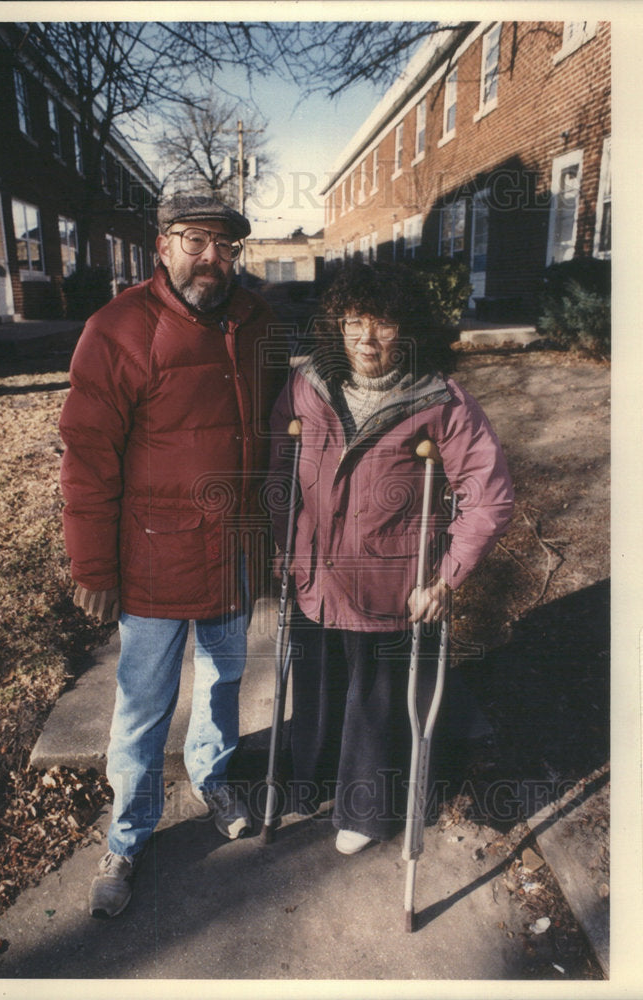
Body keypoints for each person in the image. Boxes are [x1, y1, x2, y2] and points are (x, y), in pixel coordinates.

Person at [59, 194, 279, 918]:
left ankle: (212, 777)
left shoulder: (254, 322)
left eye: (225, 246)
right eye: (194, 241)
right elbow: (88, 457)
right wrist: (92, 566)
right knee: (144, 705)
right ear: (162, 246)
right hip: (154, 560)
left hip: (235, 550)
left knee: (222, 683)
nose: (211, 258)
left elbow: (280, 425)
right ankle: (127, 835)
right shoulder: (118, 329)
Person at [268, 262, 514, 855]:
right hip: (315, 576)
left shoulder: (442, 401)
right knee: (322, 684)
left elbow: (490, 497)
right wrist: (284, 542)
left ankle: (368, 810)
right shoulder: (307, 386)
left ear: (407, 330)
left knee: (378, 698)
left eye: (381, 325)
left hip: (392, 582)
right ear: (338, 326)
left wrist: (447, 577)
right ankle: (314, 781)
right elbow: (278, 468)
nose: (367, 340)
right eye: (354, 323)